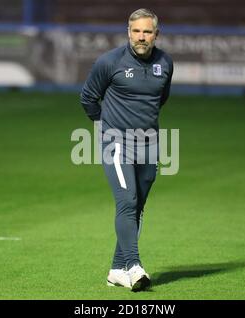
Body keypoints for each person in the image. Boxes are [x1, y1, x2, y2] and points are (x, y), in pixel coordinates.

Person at [80, 8, 173, 292]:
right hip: (116, 143)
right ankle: (134, 265)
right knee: (127, 201)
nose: (141, 37)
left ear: (156, 34)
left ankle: (116, 270)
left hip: (150, 143)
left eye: (147, 32)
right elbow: (88, 98)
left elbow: (160, 98)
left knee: (138, 208)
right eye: (136, 31)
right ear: (128, 32)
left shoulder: (166, 63)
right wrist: (105, 126)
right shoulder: (110, 62)